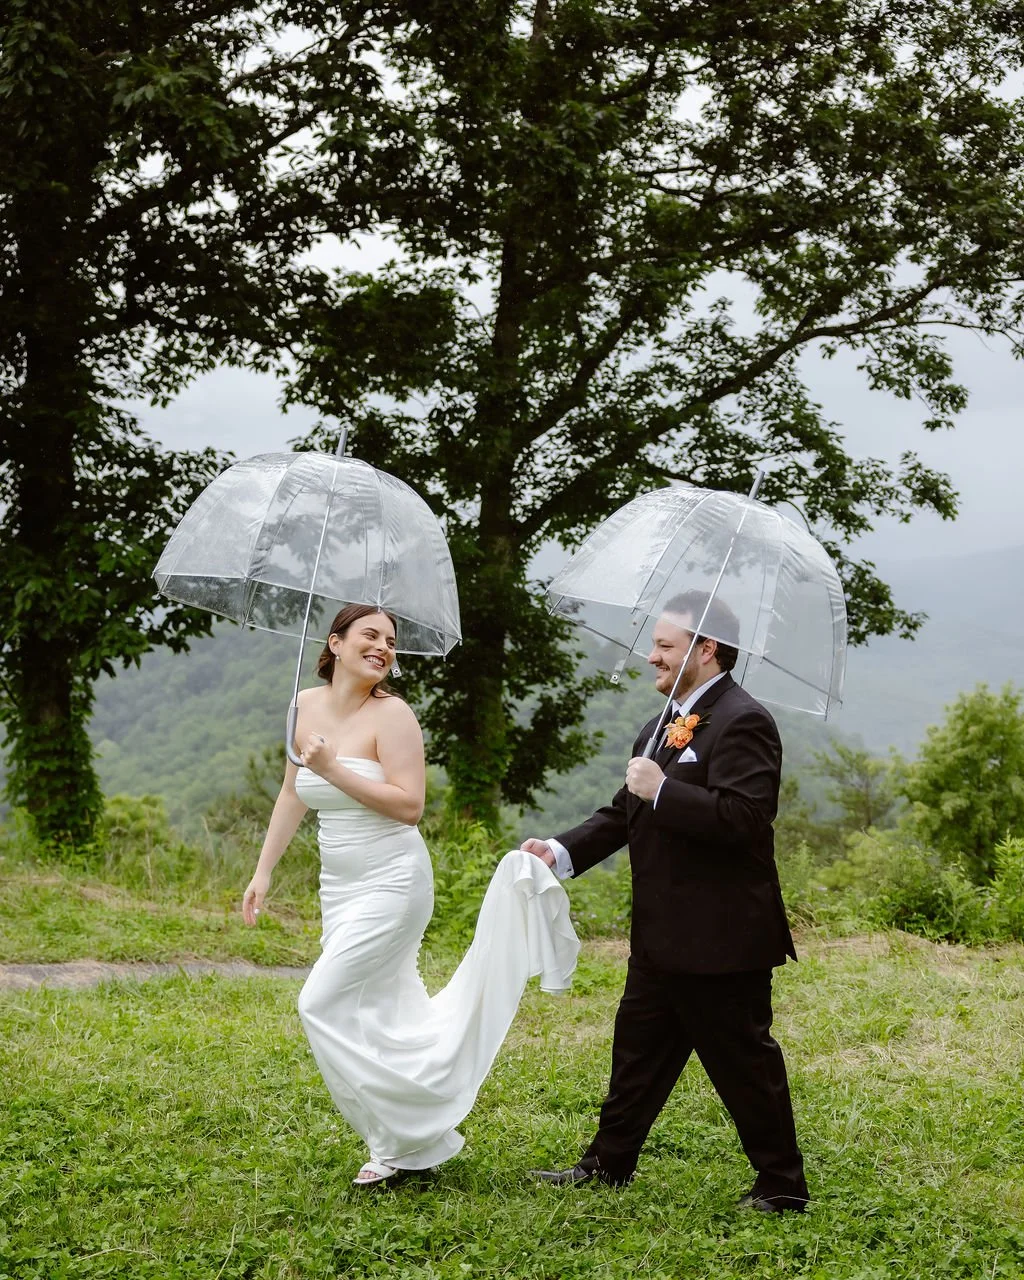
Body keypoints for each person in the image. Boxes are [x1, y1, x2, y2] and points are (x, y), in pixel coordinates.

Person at [242, 603, 577, 1188]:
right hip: (338, 884)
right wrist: (264, 871)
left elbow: (409, 806)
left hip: (393, 879)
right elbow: (294, 790)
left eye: (391, 641)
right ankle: (406, 1147)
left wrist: (336, 768)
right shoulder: (303, 705)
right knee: (378, 1009)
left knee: (319, 1002)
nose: (383, 647)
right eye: (370, 635)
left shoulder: (393, 715)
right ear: (336, 643)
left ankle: (404, 1128)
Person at [522, 590, 809, 1213]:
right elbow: (621, 814)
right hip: (659, 933)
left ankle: (782, 1184)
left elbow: (747, 821)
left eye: (663, 646)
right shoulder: (658, 727)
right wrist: (558, 852)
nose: (650, 656)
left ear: (705, 650)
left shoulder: (744, 719)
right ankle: (607, 1165)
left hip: (721, 937)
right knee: (637, 1055)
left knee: (743, 1063)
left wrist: (662, 792)